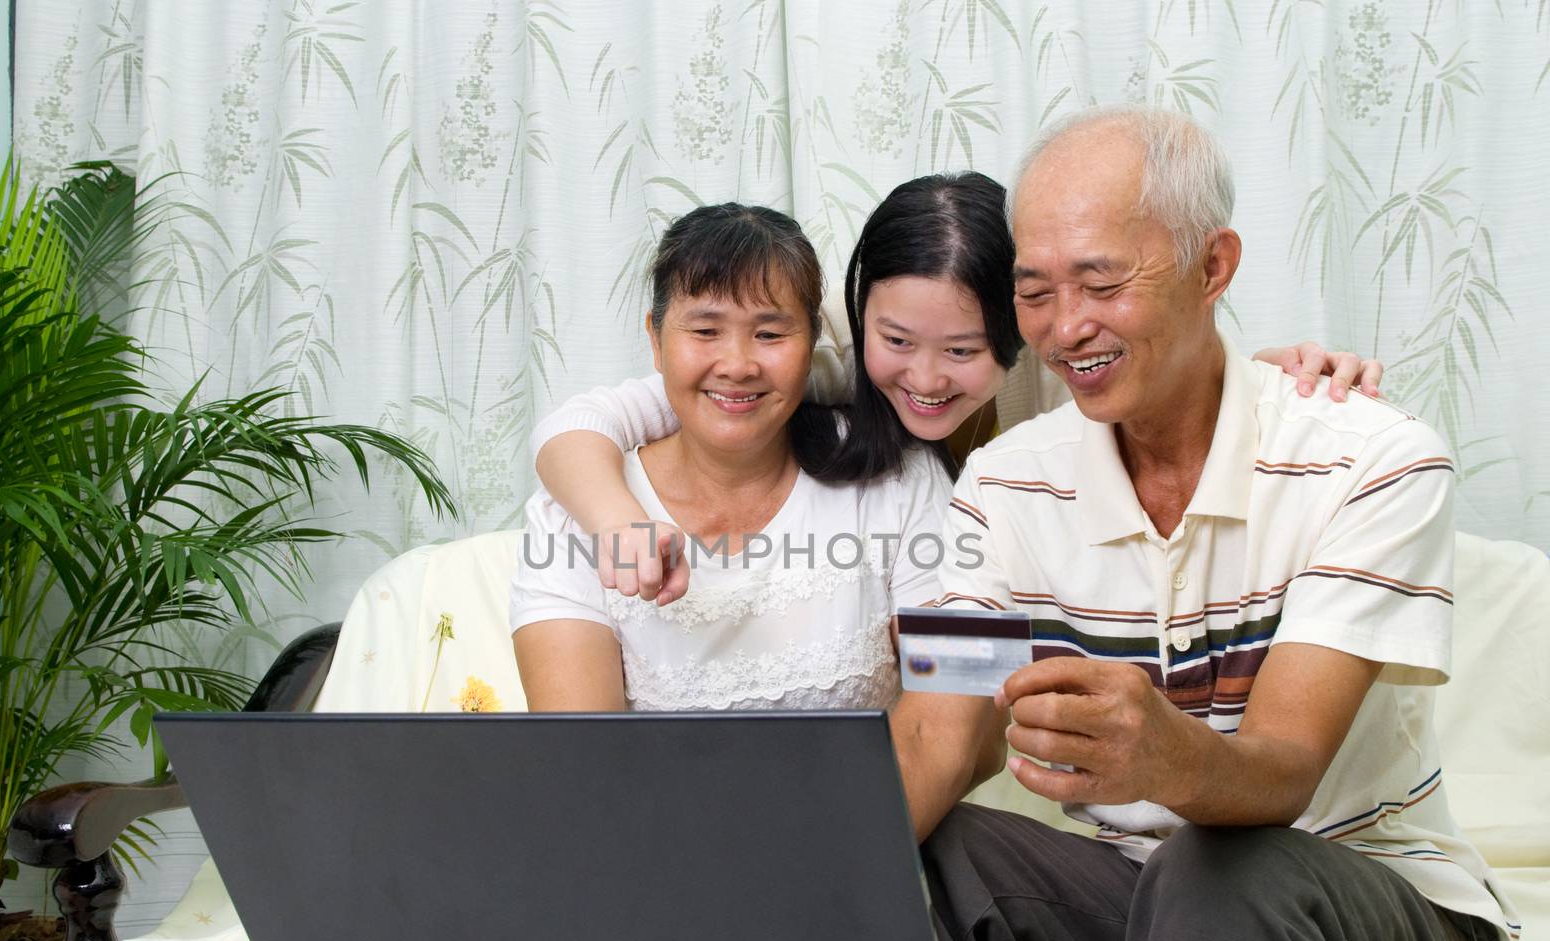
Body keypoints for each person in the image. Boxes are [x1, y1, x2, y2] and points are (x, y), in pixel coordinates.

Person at [889, 104, 1518, 941]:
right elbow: (935, 741)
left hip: (1377, 907)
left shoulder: (1372, 456)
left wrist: (1160, 753)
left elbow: (1284, 770)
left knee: (1214, 876)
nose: (1066, 329)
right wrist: (763, 899)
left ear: (1212, 265)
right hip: (1145, 899)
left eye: (1102, 284)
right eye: (1035, 293)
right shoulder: (1001, 485)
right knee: (935, 849)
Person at [529, 171, 1380, 607]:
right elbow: (586, 423)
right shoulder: (814, 360)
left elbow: (1185, 379)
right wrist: (621, 526)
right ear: (857, 321)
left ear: (1022, 329)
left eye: (966, 350)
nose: (925, 379)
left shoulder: (1066, 380)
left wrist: (1280, 376)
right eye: (896, 341)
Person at [508, 202, 948, 711]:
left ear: (813, 342)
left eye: (770, 334)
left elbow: (957, 727)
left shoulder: (897, 480)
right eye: (705, 331)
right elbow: (576, 758)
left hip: (880, 795)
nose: (738, 366)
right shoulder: (572, 512)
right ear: (655, 338)